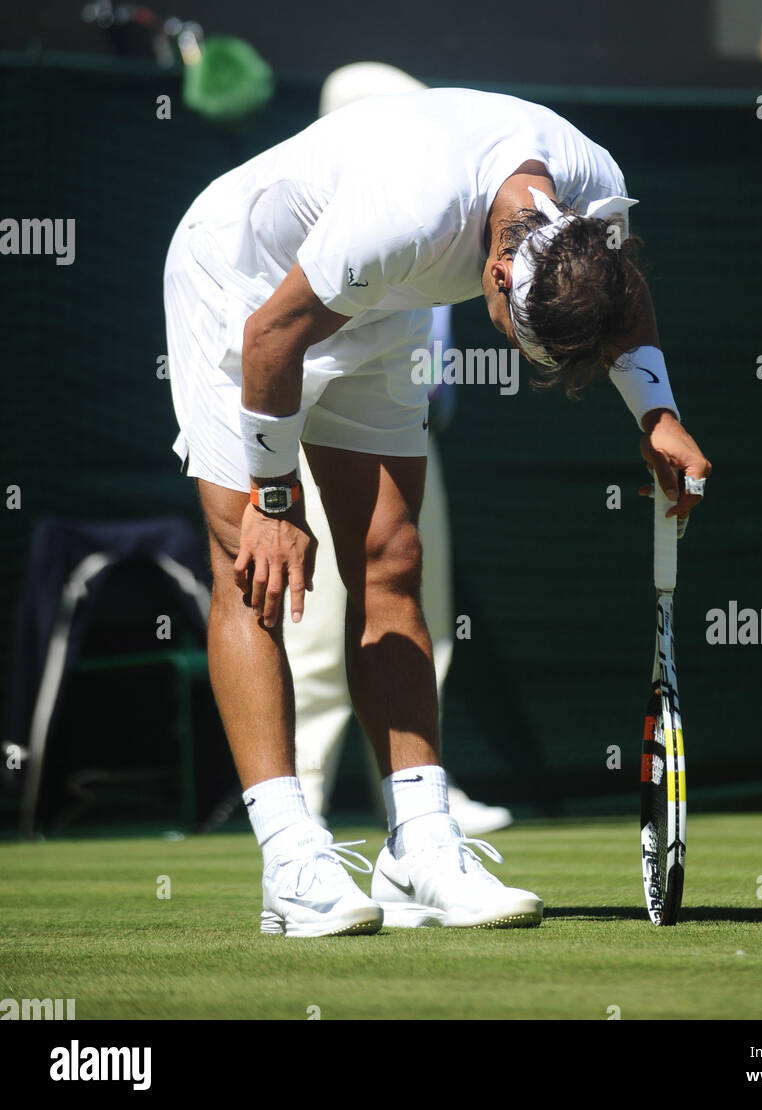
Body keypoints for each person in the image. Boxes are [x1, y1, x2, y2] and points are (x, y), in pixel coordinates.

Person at [163, 87, 711, 937]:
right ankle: (289, 861)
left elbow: (623, 295)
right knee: (253, 563)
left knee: (391, 557)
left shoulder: (594, 189)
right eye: (507, 326)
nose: (498, 333)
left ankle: (417, 845)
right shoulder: (406, 210)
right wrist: (276, 501)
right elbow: (273, 337)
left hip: (385, 310)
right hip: (245, 291)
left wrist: (656, 413)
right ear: (497, 273)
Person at [286, 64, 514, 838]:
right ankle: (304, 800)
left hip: (411, 433)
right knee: (314, 619)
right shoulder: (327, 215)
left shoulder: (433, 211)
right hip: (318, 430)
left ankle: (419, 799)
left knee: (421, 608)